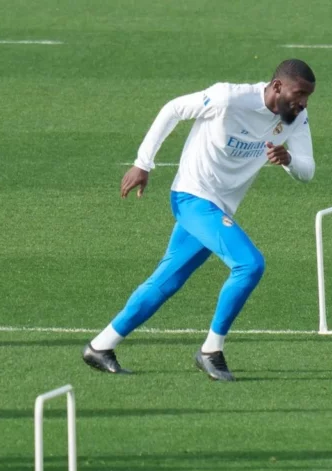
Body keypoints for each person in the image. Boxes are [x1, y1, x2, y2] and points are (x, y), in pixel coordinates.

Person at [82, 60, 317, 381]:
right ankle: (211, 350)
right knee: (249, 264)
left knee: (167, 281)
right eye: (299, 93)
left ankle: (101, 345)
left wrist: (288, 160)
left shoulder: (296, 118)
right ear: (277, 86)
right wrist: (142, 164)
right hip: (191, 198)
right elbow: (172, 109)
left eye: (308, 96)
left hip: (220, 209)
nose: (303, 102)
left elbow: (308, 170)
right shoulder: (228, 99)